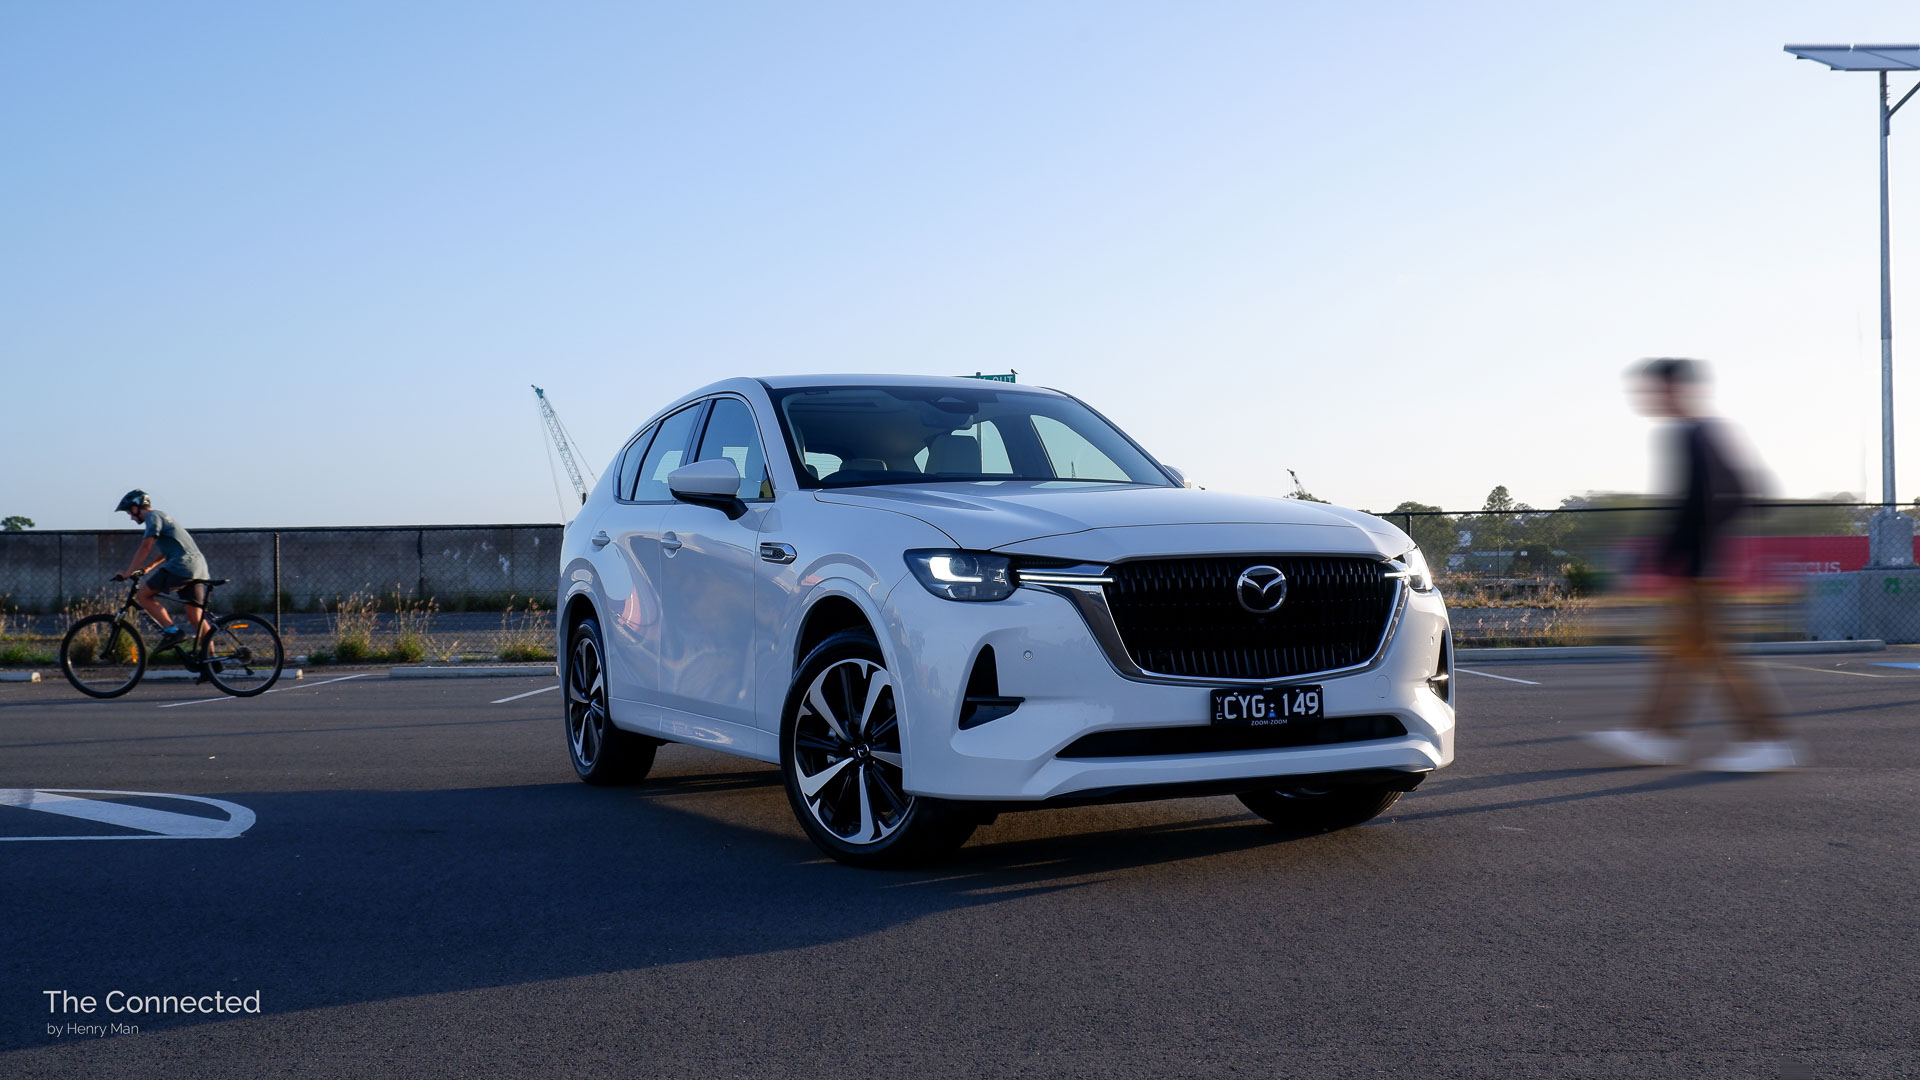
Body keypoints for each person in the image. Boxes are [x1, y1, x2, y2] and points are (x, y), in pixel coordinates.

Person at [1584, 358, 1802, 772]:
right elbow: (1733, 494)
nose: (1646, 398)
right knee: (1683, 651)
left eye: (1654, 389)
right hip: (1702, 566)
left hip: (1700, 569)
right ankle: (1657, 733)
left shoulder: (1694, 434)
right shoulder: (1700, 432)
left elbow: (1703, 502)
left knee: (1712, 653)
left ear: (1675, 389)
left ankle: (1764, 738)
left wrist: (1679, 554)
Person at [113, 489, 212, 656]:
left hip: (181, 566)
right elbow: (170, 549)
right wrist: (150, 566)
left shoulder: (152, 517)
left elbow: (146, 546)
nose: (131, 517)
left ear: (137, 507)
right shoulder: (162, 517)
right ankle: (212, 660)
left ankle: (172, 631)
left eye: (130, 512)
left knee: (143, 596)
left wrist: (128, 572)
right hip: (197, 567)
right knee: (196, 616)